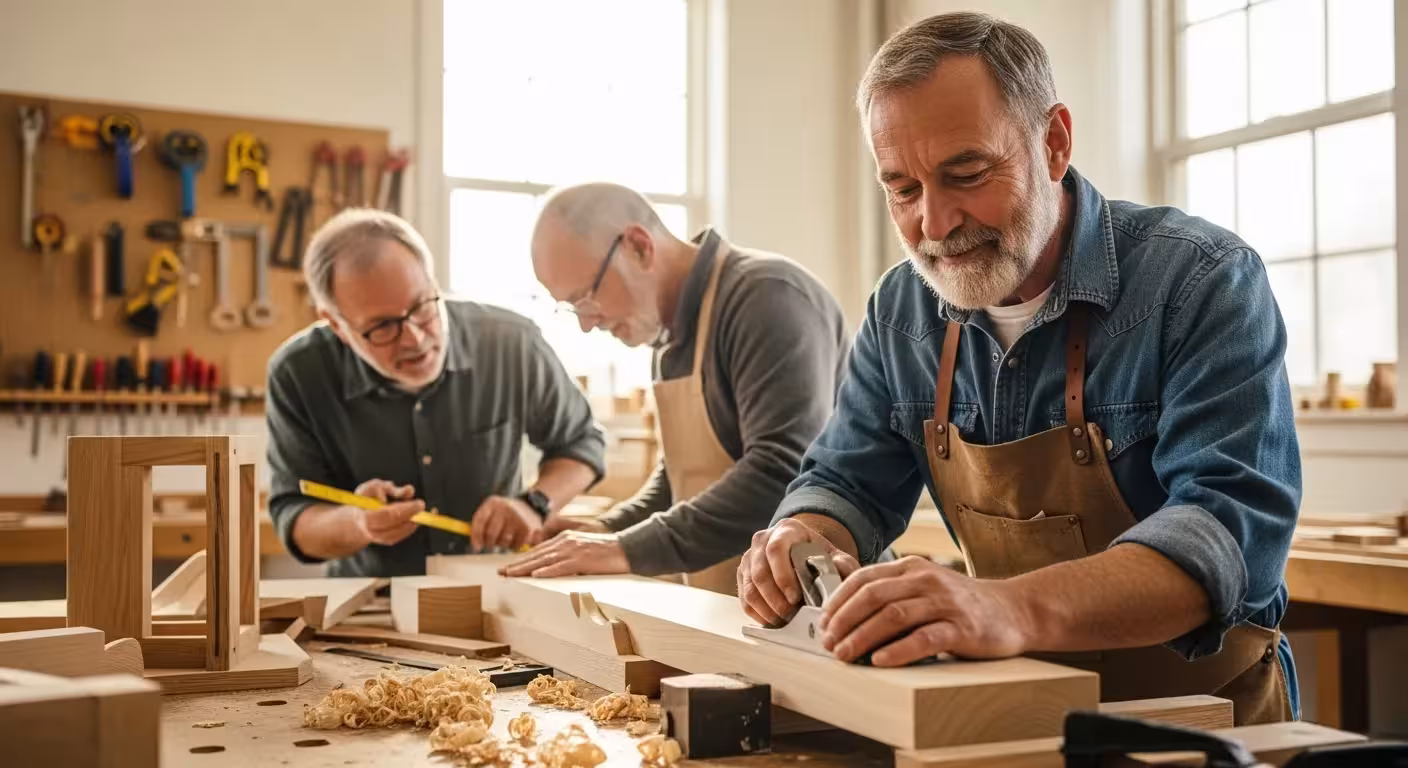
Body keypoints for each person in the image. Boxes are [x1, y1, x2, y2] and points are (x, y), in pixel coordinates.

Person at [737, 12, 1300, 724]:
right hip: (1017, 710)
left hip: (1202, 717)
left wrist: (1005, 606)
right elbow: (847, 479)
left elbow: (1225, 531)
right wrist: (802, 534)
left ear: (1054, 142)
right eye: (903, 190)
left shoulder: (1201, 281)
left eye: (965, 174)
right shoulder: (901, 310)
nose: (935, 225)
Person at [499, 183, 851, 595]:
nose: (587, 323)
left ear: (638, 246)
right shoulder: (667, 337)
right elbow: (682, 480)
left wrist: (624, 548)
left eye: (587, 298)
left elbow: (782, 472)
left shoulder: (767, 298)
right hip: (738, 605)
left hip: (821, 601)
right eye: (572, 308)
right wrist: (604, 528)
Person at [265, 208, 607, 577]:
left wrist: (535, 504)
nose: (414, 337)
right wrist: (357, 524)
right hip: (370, 605)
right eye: (382, 327)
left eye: (421, 307)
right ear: (336, 325)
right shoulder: (298, 373)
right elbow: (293, 516)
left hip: (496, 590)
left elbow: (581, 444)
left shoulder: (510, 343)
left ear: (433, 283)